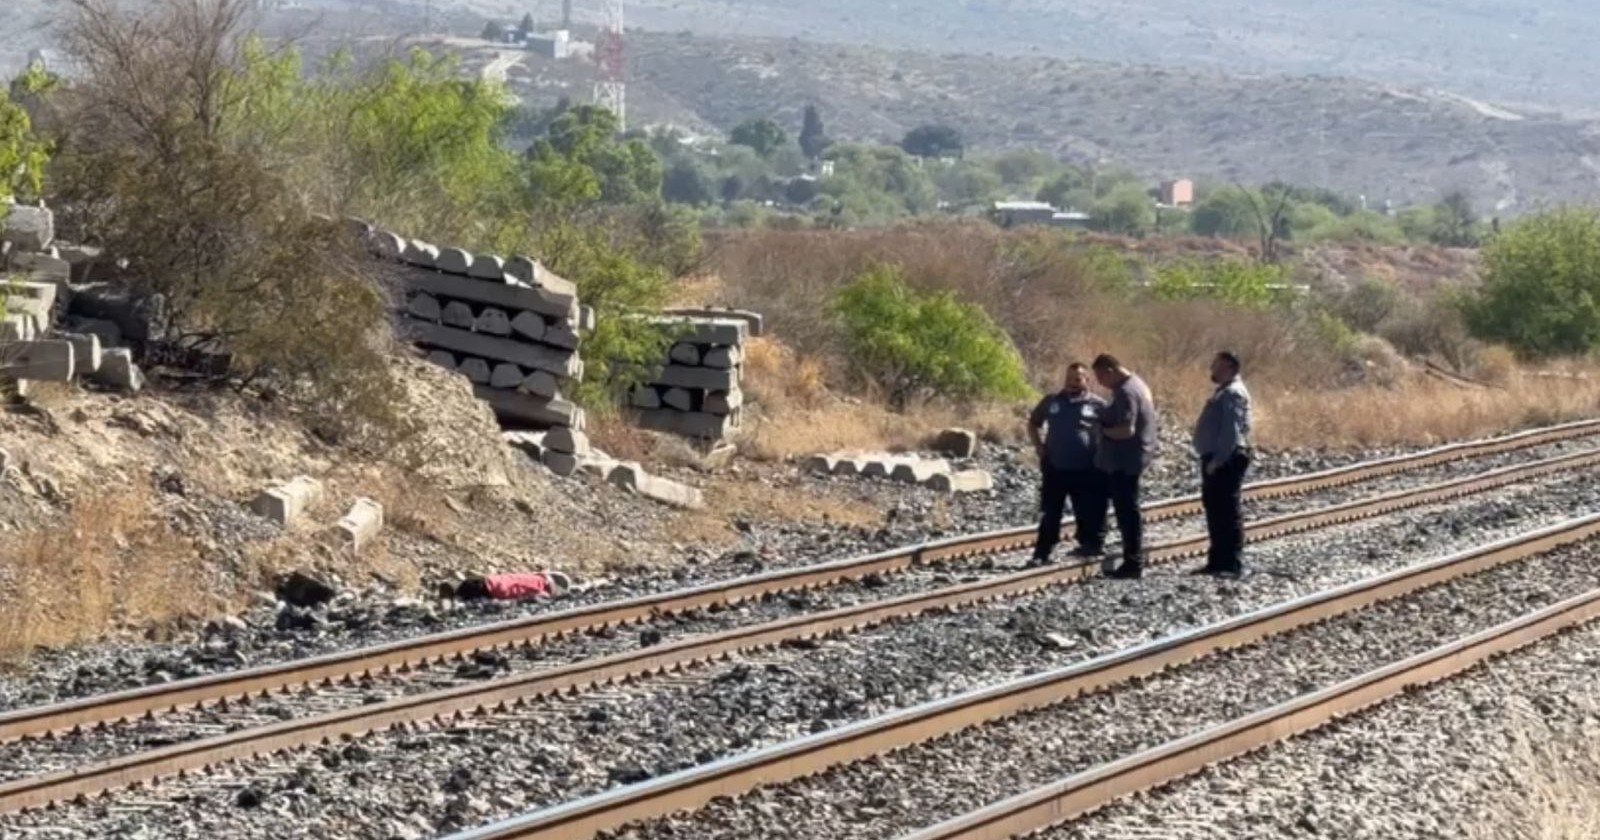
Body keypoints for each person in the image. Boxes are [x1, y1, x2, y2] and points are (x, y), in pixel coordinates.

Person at [1026, 363, 1108, 566]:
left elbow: (1111, 430)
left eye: (1078, 378)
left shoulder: (1098, 405)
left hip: (1086, 468)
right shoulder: (1052, 401)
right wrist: (1039, 446)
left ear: (1087, 381)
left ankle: (1090, 545)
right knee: (1050, 512)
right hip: (1055, 467)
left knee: (1087, 510)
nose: (1073, 382)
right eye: (1070, 378)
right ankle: (1042, 552)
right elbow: (1033, 423)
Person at [1091, 354, 1159, 579]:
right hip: (1134, 457)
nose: (1100, 382)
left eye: (1101, 376)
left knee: (1127, 511)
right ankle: (1128, 556)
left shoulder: (1126, 393)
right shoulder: (1139, 384)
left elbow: (1125, 430)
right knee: (1125, 508)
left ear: (1110, 370)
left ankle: (1133, 561)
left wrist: (1102, 431)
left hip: (1125, 460)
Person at [1191, 351, 1253, 578]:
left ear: (1228, 367)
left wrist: (1218, 461)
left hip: (1226, 458)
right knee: (1215, 509)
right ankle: (1217, 561)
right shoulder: (1223, 392)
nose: (1212, 369)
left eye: (1216, 365)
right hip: (1218, 457)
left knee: (1227, 510)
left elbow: (1231, 432)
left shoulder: (1233, 394)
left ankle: (1231, 563)